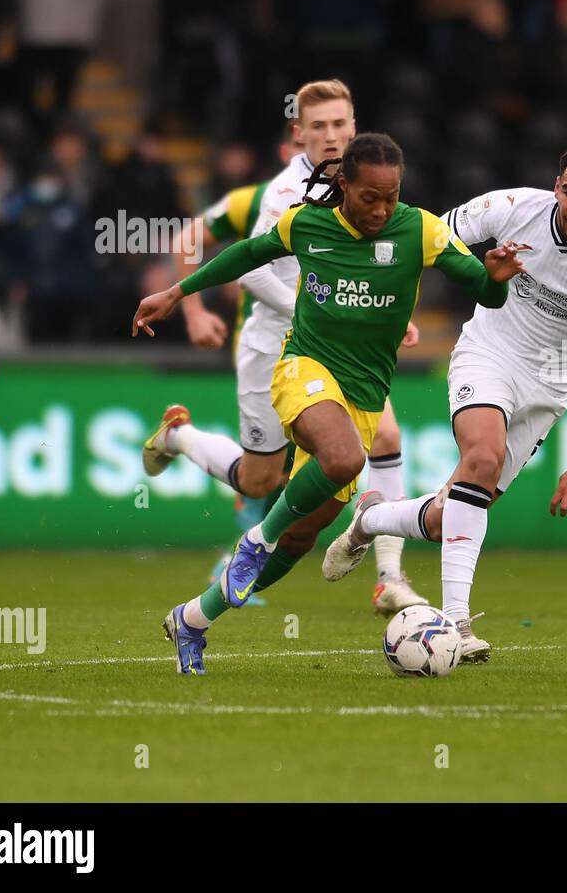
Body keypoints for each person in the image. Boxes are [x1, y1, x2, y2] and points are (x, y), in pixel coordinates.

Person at [131, 132, 525, 674]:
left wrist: (497, 281)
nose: (382, 209)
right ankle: (254, 536)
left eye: (392, 197)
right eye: (370, 198)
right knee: (342, 462)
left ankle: (192, 621)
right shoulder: (305, 223)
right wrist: (177, 294)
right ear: (344, 185)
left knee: (301, 535)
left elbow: (485, 289)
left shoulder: (423, 230)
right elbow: (246, 255)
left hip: (362, 397)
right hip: (305, 369)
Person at [321, 142, 567, 664]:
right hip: (488, 355)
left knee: (448, 515)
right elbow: (427, 238)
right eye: (566, 191)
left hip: (547, 391)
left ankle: (372, 519)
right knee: (483, 457)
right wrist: (391, 305)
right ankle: (455, 623)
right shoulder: (513, 208)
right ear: (556, 185)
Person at [140, 81, 427, 613]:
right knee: (259, 479)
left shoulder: (366, 188)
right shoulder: (280, 195)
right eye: (319, 127)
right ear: (299, 135)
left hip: (336, 350)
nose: (332, 136)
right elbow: (251, 272)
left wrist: (381, 317)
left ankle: (389, 577)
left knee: (384, 434)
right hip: (275, 347)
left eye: (341, 124)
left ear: (355, 127)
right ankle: (179, 437)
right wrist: (197, 306)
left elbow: (378, 266)